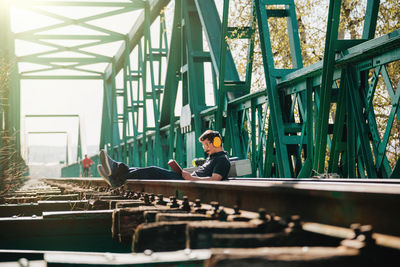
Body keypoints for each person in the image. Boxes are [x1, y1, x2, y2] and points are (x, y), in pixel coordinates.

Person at [97, 130, 231, 187]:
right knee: (140, 169)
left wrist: (191, 178)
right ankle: (115, 174)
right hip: (185, 179)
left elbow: (215, 179)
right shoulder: (212, 158)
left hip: (186, 183)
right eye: (203, 145)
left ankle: (116, 173)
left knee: (153, 170)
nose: (205, 148)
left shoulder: (222, 160)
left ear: (217, 142)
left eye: (207, 144)